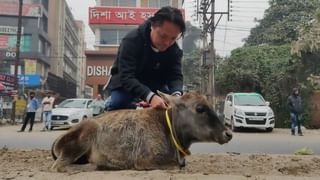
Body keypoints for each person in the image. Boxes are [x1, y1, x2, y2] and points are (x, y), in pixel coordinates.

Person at [106, 6, 185, 111]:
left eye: (173, 38)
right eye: (162, 36)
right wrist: (150, 97)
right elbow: (127, 76)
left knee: (170, 107)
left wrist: (176, 94)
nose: (167, 43)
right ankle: (109, 105)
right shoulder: (131, 40)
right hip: (126, 83)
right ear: (152, 26)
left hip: (155, 84)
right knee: (118, 102)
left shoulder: (174, 50)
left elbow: (175, 76)